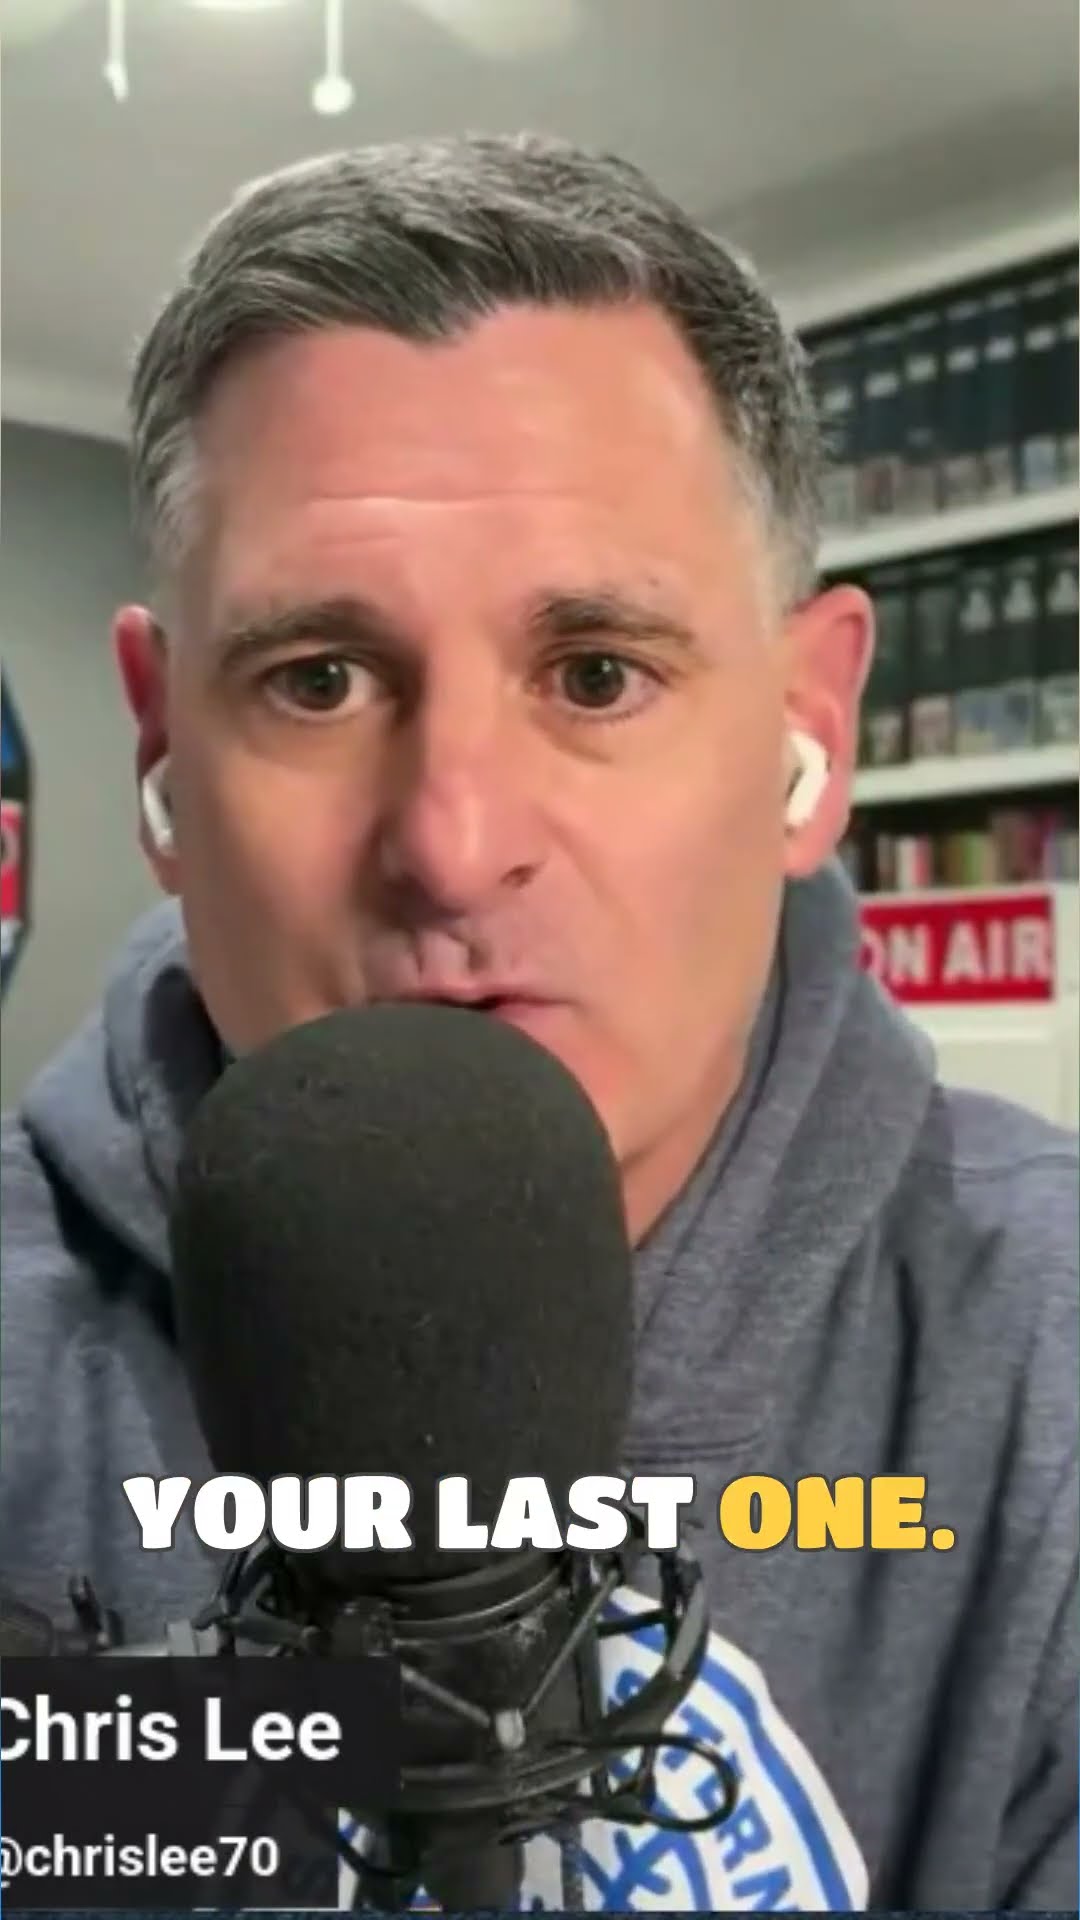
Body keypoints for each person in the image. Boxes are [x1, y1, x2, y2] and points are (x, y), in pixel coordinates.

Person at [1, 133, 1076, 1912]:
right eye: (318, 680)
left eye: (595, 675)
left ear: (811, 736)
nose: (451, 841)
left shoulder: (1047, 1364)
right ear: (161, 743)